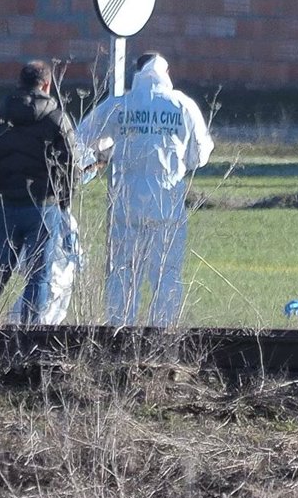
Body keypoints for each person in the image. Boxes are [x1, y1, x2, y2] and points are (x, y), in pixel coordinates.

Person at [77, 52, 214, 327]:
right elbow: (199, 155)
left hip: (126, 205)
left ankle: (119, 331)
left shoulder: (120, 104)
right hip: (166, 204)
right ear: (166, 72)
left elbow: (82, 138)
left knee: (122, 273)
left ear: (137, 73)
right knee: (166, 274)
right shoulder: (182, 105)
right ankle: (162, 333)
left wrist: (105, 153)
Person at [0, 60, 78, 324]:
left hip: (6, 203)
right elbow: (71, 166)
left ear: (20, 82)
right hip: (43, 205)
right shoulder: (56, 119)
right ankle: (30, 331)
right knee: (39, 273)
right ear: (47, 85)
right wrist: (63, 199)